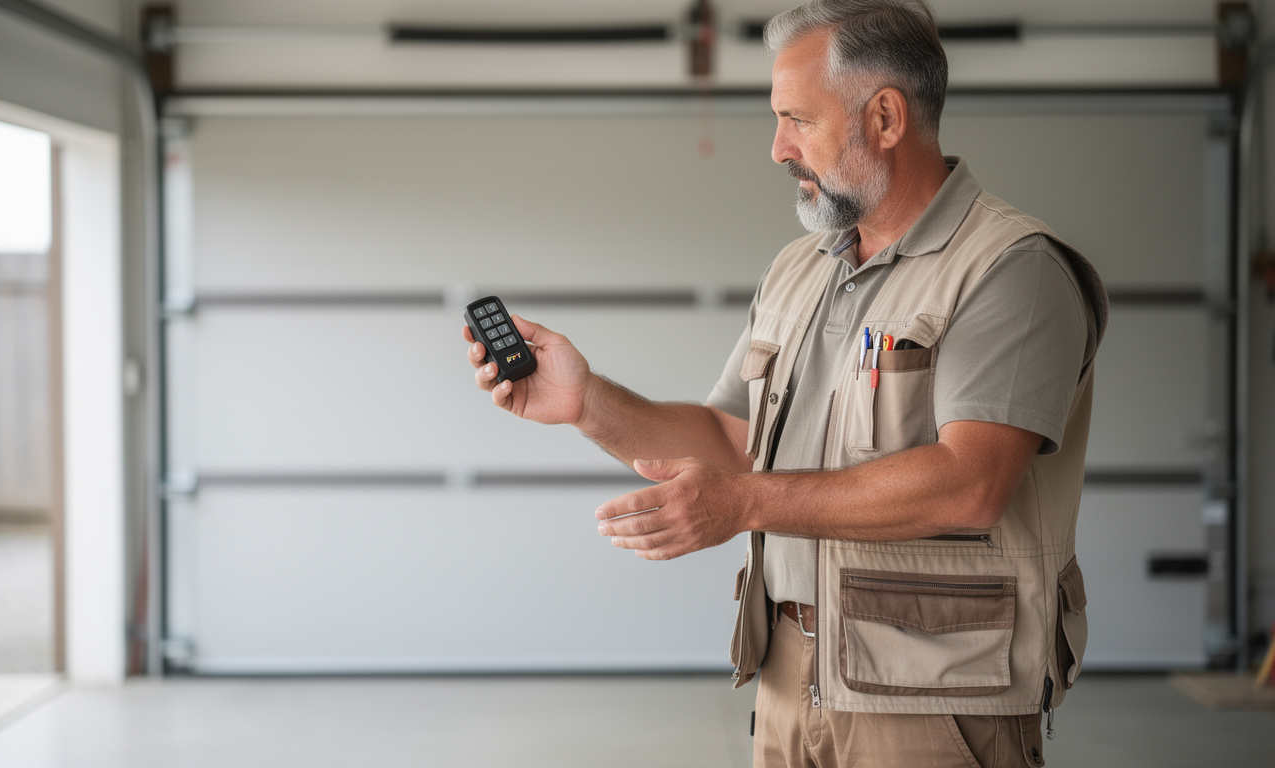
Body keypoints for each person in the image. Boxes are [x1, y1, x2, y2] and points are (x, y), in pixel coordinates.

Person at [462, 1, 1107, 765]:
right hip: (786, 675)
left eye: (797, 119)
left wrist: (743, 504)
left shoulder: (1009, 269)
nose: (777, 148)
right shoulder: (800, 269)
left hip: (934, 701)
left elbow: (969, 483)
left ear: (887, 118)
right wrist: (587, 401)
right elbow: (731, 441)